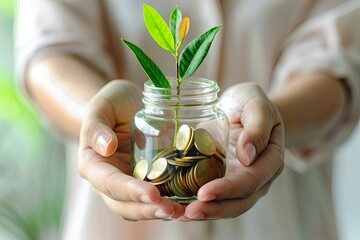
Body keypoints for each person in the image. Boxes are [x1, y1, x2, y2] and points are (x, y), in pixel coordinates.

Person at [16, 0, 360, 239]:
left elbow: (338, 60)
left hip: (281, 222)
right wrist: (97, 117)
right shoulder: (142, 125)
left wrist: (272, 120)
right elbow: (50, 50)